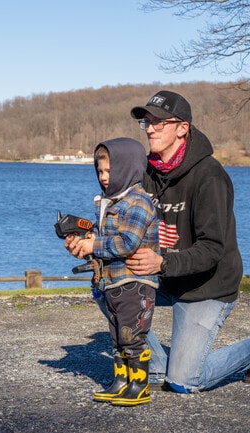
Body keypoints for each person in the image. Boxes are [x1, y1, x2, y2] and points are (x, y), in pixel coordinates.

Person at [122, 90, 250, 393]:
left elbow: (213, 249)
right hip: (166, 278)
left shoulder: (210, 177)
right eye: (147, 123)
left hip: (207, 285)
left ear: (183, 128)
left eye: (159, 123)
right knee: (108, 288)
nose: (150, 129)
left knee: (183, 381)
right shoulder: (146, 173)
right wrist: (90, 243)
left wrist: (161, 261)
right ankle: (152, 366)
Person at [68, 137, 160, 406]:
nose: (104, 177)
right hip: (111, 282)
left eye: (110, 171)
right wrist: (82, 243)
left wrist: (93, 244)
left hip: (135, 282)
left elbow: (126, 243)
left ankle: (139, 386)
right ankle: (121, 382)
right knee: (117, 336)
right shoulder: (108, 202)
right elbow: (99, 239)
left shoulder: (138, 202)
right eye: (100, 171)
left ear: (127, 168)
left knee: (133, 337)